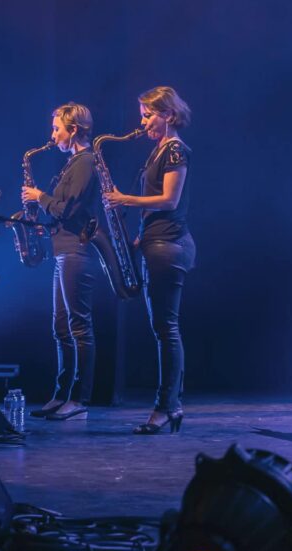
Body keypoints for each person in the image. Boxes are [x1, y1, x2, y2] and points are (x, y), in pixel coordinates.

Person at [104, 86, 194, 434]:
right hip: (156, 242)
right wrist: (141, 235)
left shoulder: (175, 150)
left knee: (166, 329)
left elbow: (170, 200)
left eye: (148, 115)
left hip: (168, 246)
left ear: (168, 115)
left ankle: (167, 406)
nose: (141, 123)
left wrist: (125, 199)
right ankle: (170, 404)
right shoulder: (159, 150)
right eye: (142, 115)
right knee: (163, 328)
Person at [23, 103, 99, 421]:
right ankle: (61, 394)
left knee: (78, 326)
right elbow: (62, 212)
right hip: (62, 249)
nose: (52, 135)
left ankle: (79, 398)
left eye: (57, 129)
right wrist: (45, 220)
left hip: (76, 251)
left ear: (74, 129)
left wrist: (39, 197)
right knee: (60, 327)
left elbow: (68, 209)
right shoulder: (72, 163)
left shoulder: (86, 161)